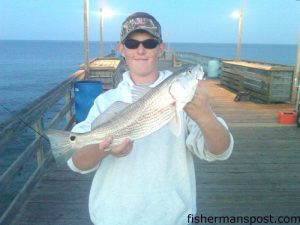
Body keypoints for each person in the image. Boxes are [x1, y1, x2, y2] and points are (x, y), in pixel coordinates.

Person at [67, 12, 234, 225]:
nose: (141, 49)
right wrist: (104, 148)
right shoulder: (105, 101)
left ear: (160, 48)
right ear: (121, 49)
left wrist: (206, 116)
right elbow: (77, 163)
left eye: (150, 42)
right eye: (132, 42)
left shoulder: (189, 102)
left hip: (173, 218)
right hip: (113, 218)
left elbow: (220, 150)